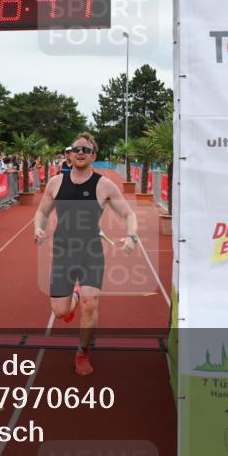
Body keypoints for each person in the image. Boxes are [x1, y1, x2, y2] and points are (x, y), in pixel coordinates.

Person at [34, 132, 138, 376]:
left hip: (91, 252)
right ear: (69, 155)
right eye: (76, 149)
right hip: (62, 254)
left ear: (94, 156)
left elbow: (129, 214)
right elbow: (41, 212)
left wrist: (132, 236)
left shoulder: (104, 185)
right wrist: (38, 227)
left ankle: (82, 352)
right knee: (60, 312)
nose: (81, 153)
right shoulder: (55, 183)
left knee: (91, 305)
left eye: (86, 150)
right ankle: (76, 297)